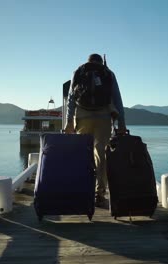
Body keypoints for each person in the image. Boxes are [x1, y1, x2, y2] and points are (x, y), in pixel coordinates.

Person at [65, 53, 127, 207]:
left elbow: (71, 98)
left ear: (88, 61)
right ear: (101, 62)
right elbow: (117, 99)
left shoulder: (78, 71)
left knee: (83, 153)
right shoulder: (108, 73)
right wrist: (122, 124)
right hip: (103, 117)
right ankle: (100, 193)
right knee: (101, 155)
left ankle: (83, 190)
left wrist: (68, 122)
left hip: (82, 116)